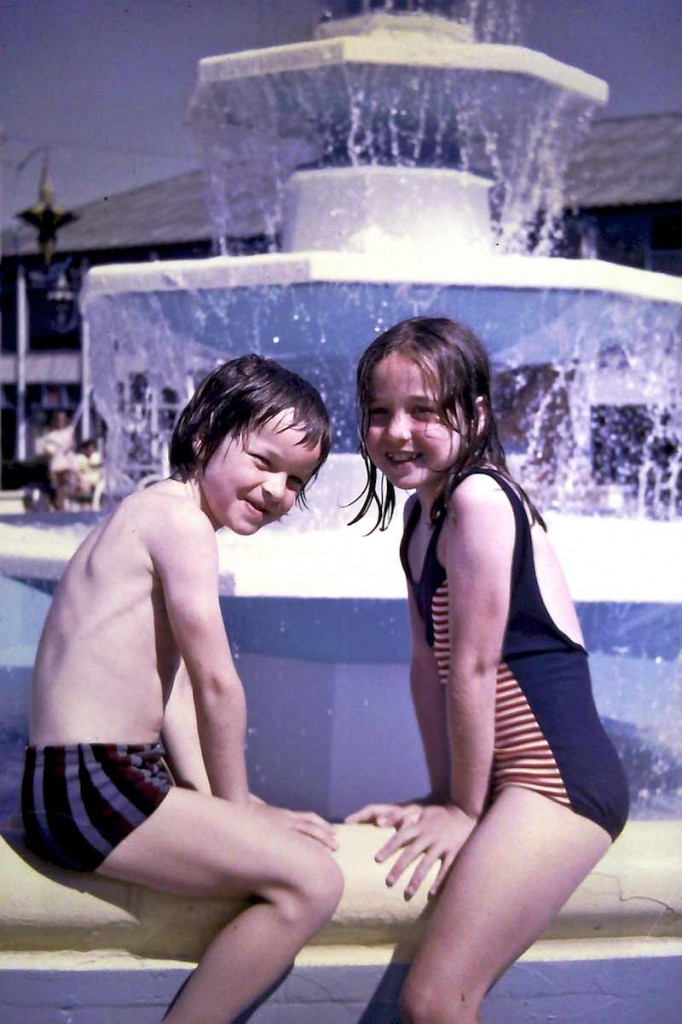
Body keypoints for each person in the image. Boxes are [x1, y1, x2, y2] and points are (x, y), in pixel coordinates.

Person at [21, 354, 344, 1024]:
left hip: (78, 781)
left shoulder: (148, 513)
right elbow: (217, 685)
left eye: (296, 480)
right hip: (92, 782)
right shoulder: (181, 522)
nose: (277, 489)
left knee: (287, 858)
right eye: (262, 460)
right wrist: (236, 811)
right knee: (313, 882)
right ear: (203, 437)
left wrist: (218, 797)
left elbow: (170, 694)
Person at [347, 317, 629, 1024]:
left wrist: (463, 812)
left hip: (557, 783)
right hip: (511, 787)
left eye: (422, 410)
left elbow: (475, 667)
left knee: (437, 999)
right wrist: (442, 793)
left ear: (473, 414)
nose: (395, 431)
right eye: (378, 413)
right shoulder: (419, 521)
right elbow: (428, 671)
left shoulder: (479, 499)